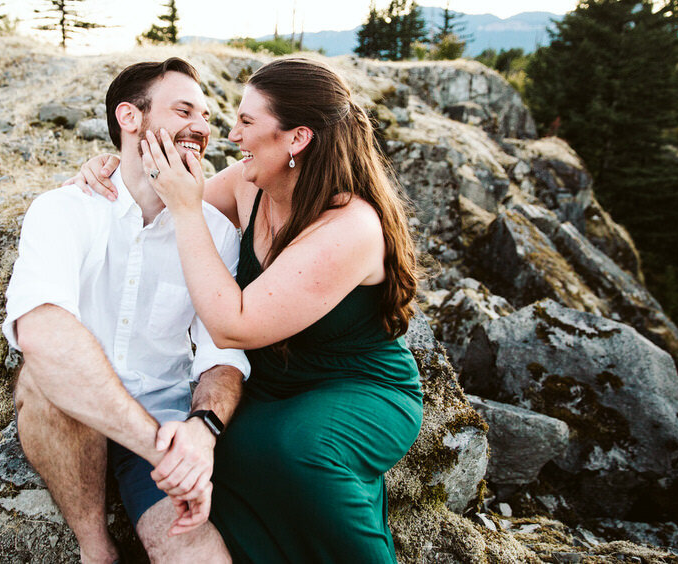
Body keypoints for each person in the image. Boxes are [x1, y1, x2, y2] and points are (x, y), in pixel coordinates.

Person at [72, 57, 424, 563]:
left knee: (299, 449)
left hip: (356, 386)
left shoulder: (350, 226)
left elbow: (233, 324)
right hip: (270, 383)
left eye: (247, 122)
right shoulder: (249, 182)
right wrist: (105, 170)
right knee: (220, 452)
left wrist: (190, 208)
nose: (232, 136)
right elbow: (157, 203)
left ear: (296, 139)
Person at [3, 58, 251, 564]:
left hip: (164, 415)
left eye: (205, 117)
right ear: (129, 118)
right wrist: (161, 450)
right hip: (75, 411)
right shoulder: (64, 209)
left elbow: (221, 353)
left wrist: (200, 433)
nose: (201, 128)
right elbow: (42, 330)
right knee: (41, 379)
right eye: (184, 110)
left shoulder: (217, 233)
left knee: (190, 550)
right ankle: (96, 550)